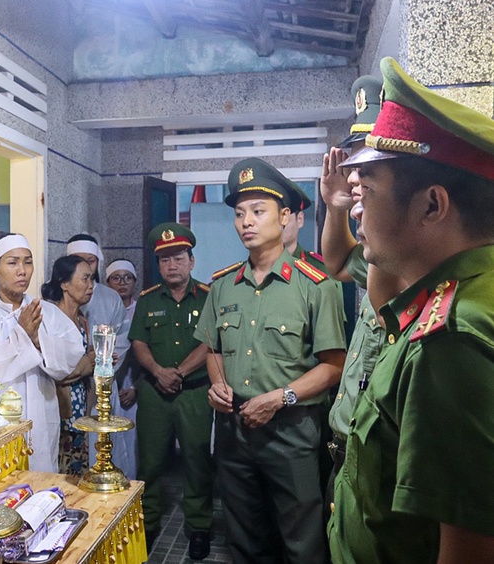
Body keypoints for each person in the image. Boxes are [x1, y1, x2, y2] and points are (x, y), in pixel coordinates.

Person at [328, 57, 494, 563]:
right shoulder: (457, 293)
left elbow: (468, 550)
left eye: (370, 191)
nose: (358, 208)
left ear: (431, 205)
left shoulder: (453, 338)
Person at [195, 158, 346, 564]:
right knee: (243, 537)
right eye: (240, 213)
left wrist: (281, 398)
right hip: (233, 429)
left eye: (258, 212)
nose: (247, 221)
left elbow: (334, 365)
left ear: (284, 217)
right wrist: (217, 385)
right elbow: (213, 348)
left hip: (289, 431)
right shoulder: (223, 285)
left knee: (301, 540)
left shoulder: (317, 286)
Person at [319, 74, 406, 505]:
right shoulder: (380, 248)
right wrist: (339, 211)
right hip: (345, 453)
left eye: (369, 168)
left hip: (378, 469)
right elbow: (336, 262)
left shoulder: (407, 256)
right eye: (355, 164)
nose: (353, 178)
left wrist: (365, 211)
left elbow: (385, 302)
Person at [128, 223, 214, 560]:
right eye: (164, 260)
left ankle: (198, 527)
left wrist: (178, 372)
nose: (171, 266)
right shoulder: (148, 300)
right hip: (154, 393)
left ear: (191, 261)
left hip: (194, 393)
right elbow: (138, 341)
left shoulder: (208, 297)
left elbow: (210, 343)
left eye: (178, 258)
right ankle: (147, 524)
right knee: (150, 462)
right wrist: (157, 371)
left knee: (197, 461)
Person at [0, 234, 85, 473]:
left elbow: (73, 352)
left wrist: (38, 340)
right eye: (12, 263)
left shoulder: (46, 311)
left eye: (28, 262)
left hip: (41, 416)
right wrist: (22, 334)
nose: (22, 271)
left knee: (41, 478)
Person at [66, 234, 131, 468]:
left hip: (102, 379)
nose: (85, 266)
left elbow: (122, 337)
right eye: (78, 260)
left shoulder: (110, 297)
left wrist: (104, 359)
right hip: (69, 383)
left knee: (104, 441)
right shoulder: (55, 296)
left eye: (90, 261)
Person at [41, 255, 96, 476]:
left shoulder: (81, 319)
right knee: (61, 474)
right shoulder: (49, 318)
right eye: (84, 279)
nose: (90, 285)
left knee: (80, 471)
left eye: (92, 279)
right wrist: (88, 363)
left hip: (81, 410)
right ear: (64, 284)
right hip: (61, 410)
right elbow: (52, 369)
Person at [105, 259, 139, 480]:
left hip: (133, 387)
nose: (122, 283)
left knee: (133, 445)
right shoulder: (100, 309)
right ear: (107, 282)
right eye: (116, 278)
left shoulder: (142, 308)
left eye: (127, 278)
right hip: (107, 388)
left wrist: (136, 387)